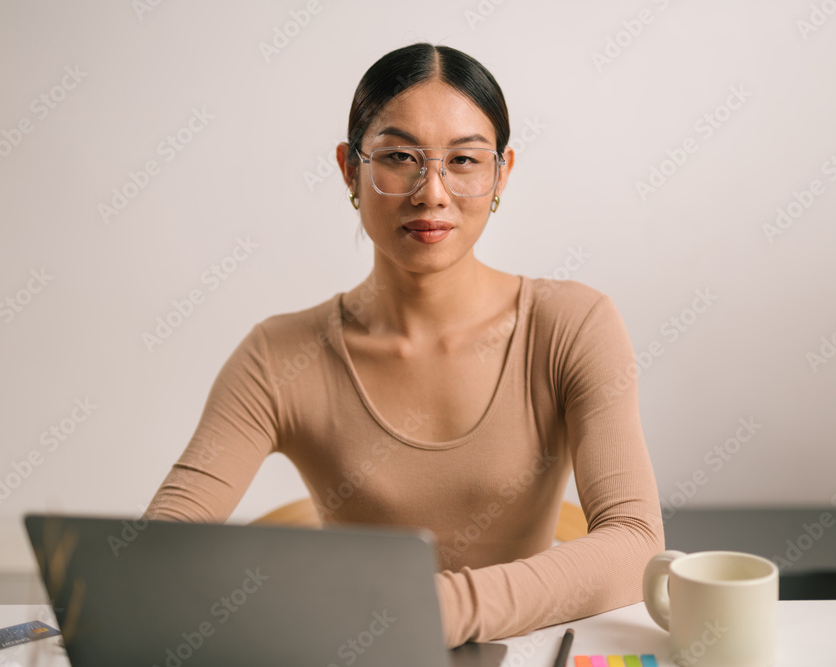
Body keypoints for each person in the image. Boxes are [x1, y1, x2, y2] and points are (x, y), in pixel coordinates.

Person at [143, 42, 665, 648]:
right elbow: (158, 552)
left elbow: (634, 543)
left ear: (501, 173)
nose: (432, 192)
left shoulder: (573, 323)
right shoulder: (278, 354)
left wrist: (432, 610)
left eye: (464, 160)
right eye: (398, 157)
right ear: (349, 169)